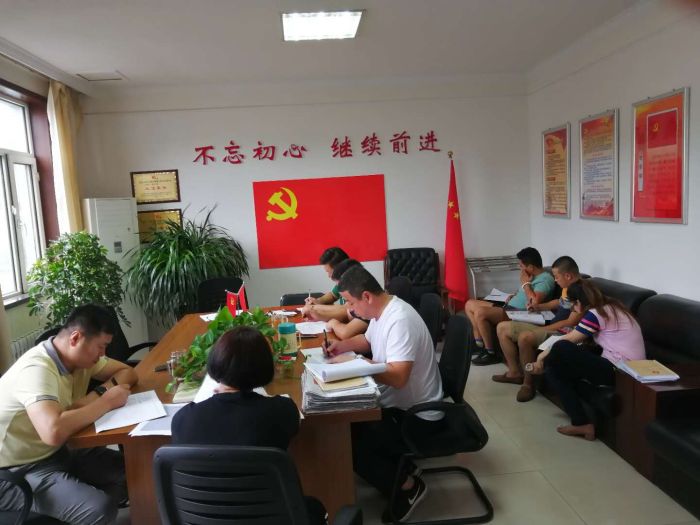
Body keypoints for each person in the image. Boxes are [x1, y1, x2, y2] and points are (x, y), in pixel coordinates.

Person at [171, 326, 327, 525]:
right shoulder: (281, 411)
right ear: (265, 367)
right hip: (270, 518)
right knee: (313, 507)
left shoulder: (182, 419)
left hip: (202, 520)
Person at [324, 265, 443, 523]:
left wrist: (358, 365)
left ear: (367, 296)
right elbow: (368, 341)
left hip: (417, 416)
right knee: (345, 427)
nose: (350, 309)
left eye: (351, 302)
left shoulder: (400, 320)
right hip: (398, 403)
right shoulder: (382, 311)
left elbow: (398, 377)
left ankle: (408, 488)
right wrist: (341, 346)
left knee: (346, 442)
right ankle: (400, 466)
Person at [0, 304, 138, 525]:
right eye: (101, 346)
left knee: (135, 473)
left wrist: (94, 396)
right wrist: (106, 402)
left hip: (59, 450)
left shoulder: (79, 359)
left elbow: (127, 372)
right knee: (98, 509)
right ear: (76, 338)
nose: (103, 354)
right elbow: (52, 431)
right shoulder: (36, 370)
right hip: (15, 470)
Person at [529, 279, 645, 440]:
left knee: (561, 348)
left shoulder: (598, 313)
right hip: (615, 366)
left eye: (573, 305)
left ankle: (540, 368)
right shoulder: (611, 307)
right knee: (554, 371)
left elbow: (570, 339)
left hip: (623, 371)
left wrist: (541, 356)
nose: (573, 309)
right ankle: (581, 423)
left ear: (579, 302)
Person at [493, 256, 583, 402]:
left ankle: (528, 384)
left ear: (568, 276)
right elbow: (558, 302)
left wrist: (545, 328)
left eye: (557, 277)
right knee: (502, 327)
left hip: (564, 332)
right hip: (551, 324)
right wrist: (538, 307)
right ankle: (515, 373)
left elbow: (570, 321)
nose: (555, 280)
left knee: (525, 337)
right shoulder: (568, 288)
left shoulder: (582, 291)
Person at [465, 247, 556, 366]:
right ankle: (479, 341)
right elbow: (523, 294)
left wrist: (525, 283)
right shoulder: (531, 276)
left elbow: (534, 302)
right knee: (469, 304)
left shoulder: (546, 279)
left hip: (519, 313)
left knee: (480, 312)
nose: (520, 268)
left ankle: (490, 353)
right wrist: (514, 295)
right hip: (508, 306)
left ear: (530, 267)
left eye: (521, 265)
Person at [302, 258, 370, 340]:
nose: (329, 276)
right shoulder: (358, 297)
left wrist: (333, 323)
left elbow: (345, 332)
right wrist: (315, 309)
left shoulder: (366, 305)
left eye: (329, 272)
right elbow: (347, 313)